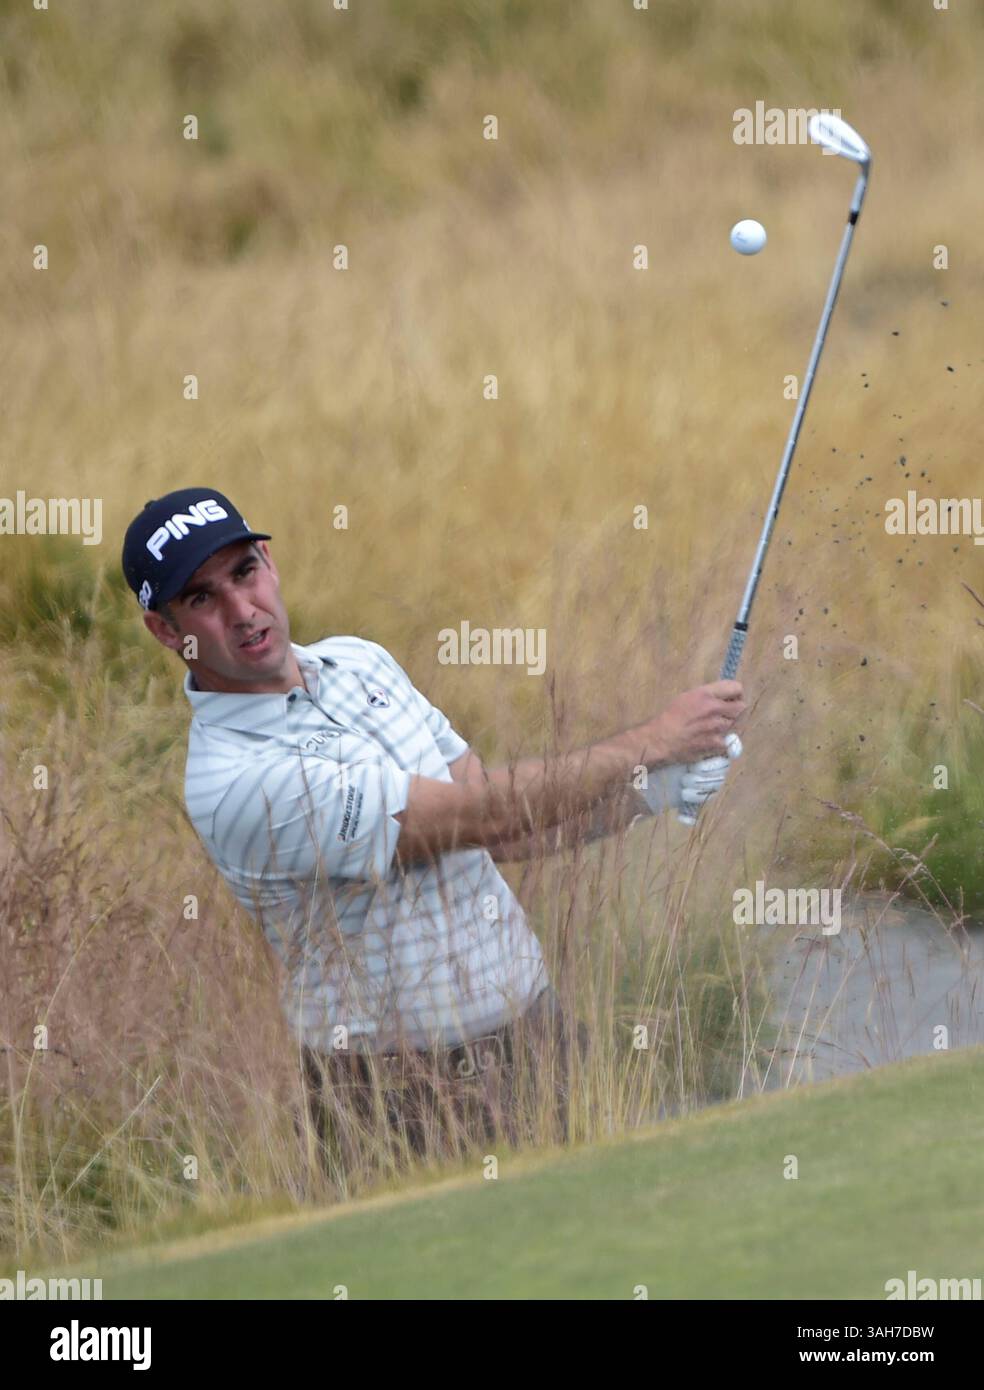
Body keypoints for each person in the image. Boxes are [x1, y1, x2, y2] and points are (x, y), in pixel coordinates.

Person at [122, 488, 744, 1165]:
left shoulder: (361, 662)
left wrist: (648, 792)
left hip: (539, 1038)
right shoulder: (235, 781)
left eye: (245, 572)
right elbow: (483, 812)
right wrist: (655, 740)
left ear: (268, 561)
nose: (242, 611)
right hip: (397, 1098)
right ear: (165, 629)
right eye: (202, 599)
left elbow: (500, 831)